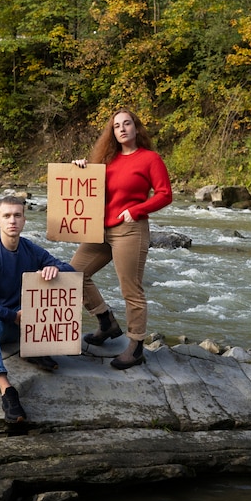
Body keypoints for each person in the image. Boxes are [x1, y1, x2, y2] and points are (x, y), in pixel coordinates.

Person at [71, 107, 172, 370]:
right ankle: (106, 321)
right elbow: (88, 188)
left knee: (131, 289)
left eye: (127, 124)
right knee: (74, 273)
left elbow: (164, 194)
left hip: (130, 229)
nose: (122, 129)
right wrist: (80, 169)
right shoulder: (106, 159)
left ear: (136, 128)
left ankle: (136, 345)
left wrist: (136, 210)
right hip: (99, 229)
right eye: (117, 126)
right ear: (112, 132)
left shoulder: (150, 159)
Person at [0, 195, 74, 423]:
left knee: (52, 287)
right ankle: (7, 390)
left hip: (24, 323)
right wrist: (13, 316)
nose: (12, 221)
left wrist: (53, 269)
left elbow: (69, 268)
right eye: (6, 216)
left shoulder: (29, 249)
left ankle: (33, 350)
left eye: (17, 215)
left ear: (24, 220)